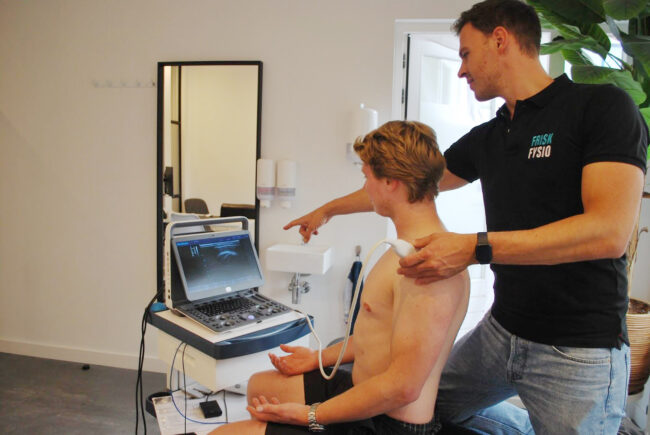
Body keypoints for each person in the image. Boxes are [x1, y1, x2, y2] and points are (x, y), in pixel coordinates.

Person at [284, 0, 649, 433]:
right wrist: (328, 210)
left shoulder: (601, 108)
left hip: (577, 349)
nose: (460, 70)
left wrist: (474, 248)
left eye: (465, 54)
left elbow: (608, 232)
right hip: (503, 331)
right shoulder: (490, 137)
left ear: (500, 40)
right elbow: (401, 183)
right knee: (423, 407)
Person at [210, 121, 470, 434]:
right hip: (367, 395)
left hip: (388, 424)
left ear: (390, 182)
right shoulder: (404, 248)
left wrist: (309, 415)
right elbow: (377, 336)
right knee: (260, 386)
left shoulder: (430, 266)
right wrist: (317, 358)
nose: (365, 188)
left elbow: (403, 388)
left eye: (367, 177)